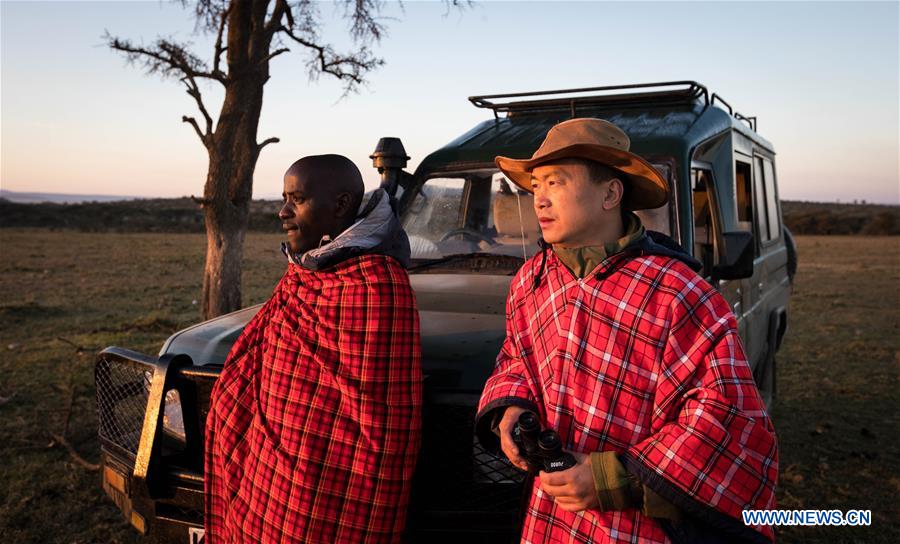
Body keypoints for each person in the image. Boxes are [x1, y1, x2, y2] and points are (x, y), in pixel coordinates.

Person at [474, 119, 778, 544]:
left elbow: (725, 413)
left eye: (555, 181)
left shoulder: (678, 292)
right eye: (536, 185)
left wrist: (611, 478)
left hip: (636, 528)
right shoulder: (533, 279)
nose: (539, 199)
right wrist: (511, 407)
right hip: (549, 519)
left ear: (610, 194)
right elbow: (517, 359)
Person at [204, 154, 422, 543]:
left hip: (331, 480)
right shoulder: (307, 270)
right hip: (270, 463)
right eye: (285, 199)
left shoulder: (375, 285)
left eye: (297, 199)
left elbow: (375, 421)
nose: (283, 212)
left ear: (340, 206)